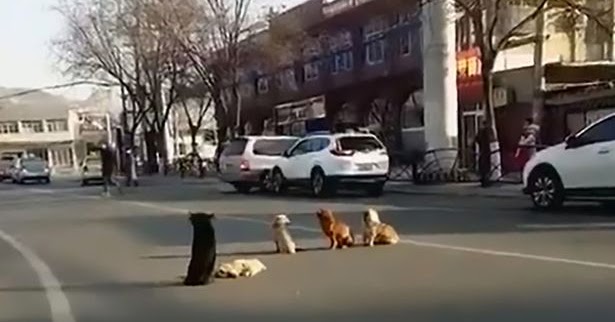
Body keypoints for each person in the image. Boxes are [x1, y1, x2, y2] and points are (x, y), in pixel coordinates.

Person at [475, 120, 493, 187]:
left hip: (482, 151)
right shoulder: (486, 131)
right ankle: (485, 181)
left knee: (483, 166)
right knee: (486, 166)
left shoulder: (481, 131)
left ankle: (483, 180)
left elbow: (476, 139)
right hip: (486, 151)